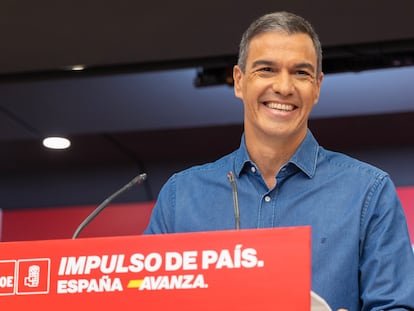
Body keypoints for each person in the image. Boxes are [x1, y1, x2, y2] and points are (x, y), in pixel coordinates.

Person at [144, 11, 414, 311]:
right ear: (238, 81)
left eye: (301, 73)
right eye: (267, 69)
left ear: (317, 87)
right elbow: (144, 302)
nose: (284, 87)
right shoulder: (180, 197)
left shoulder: (369, 192)